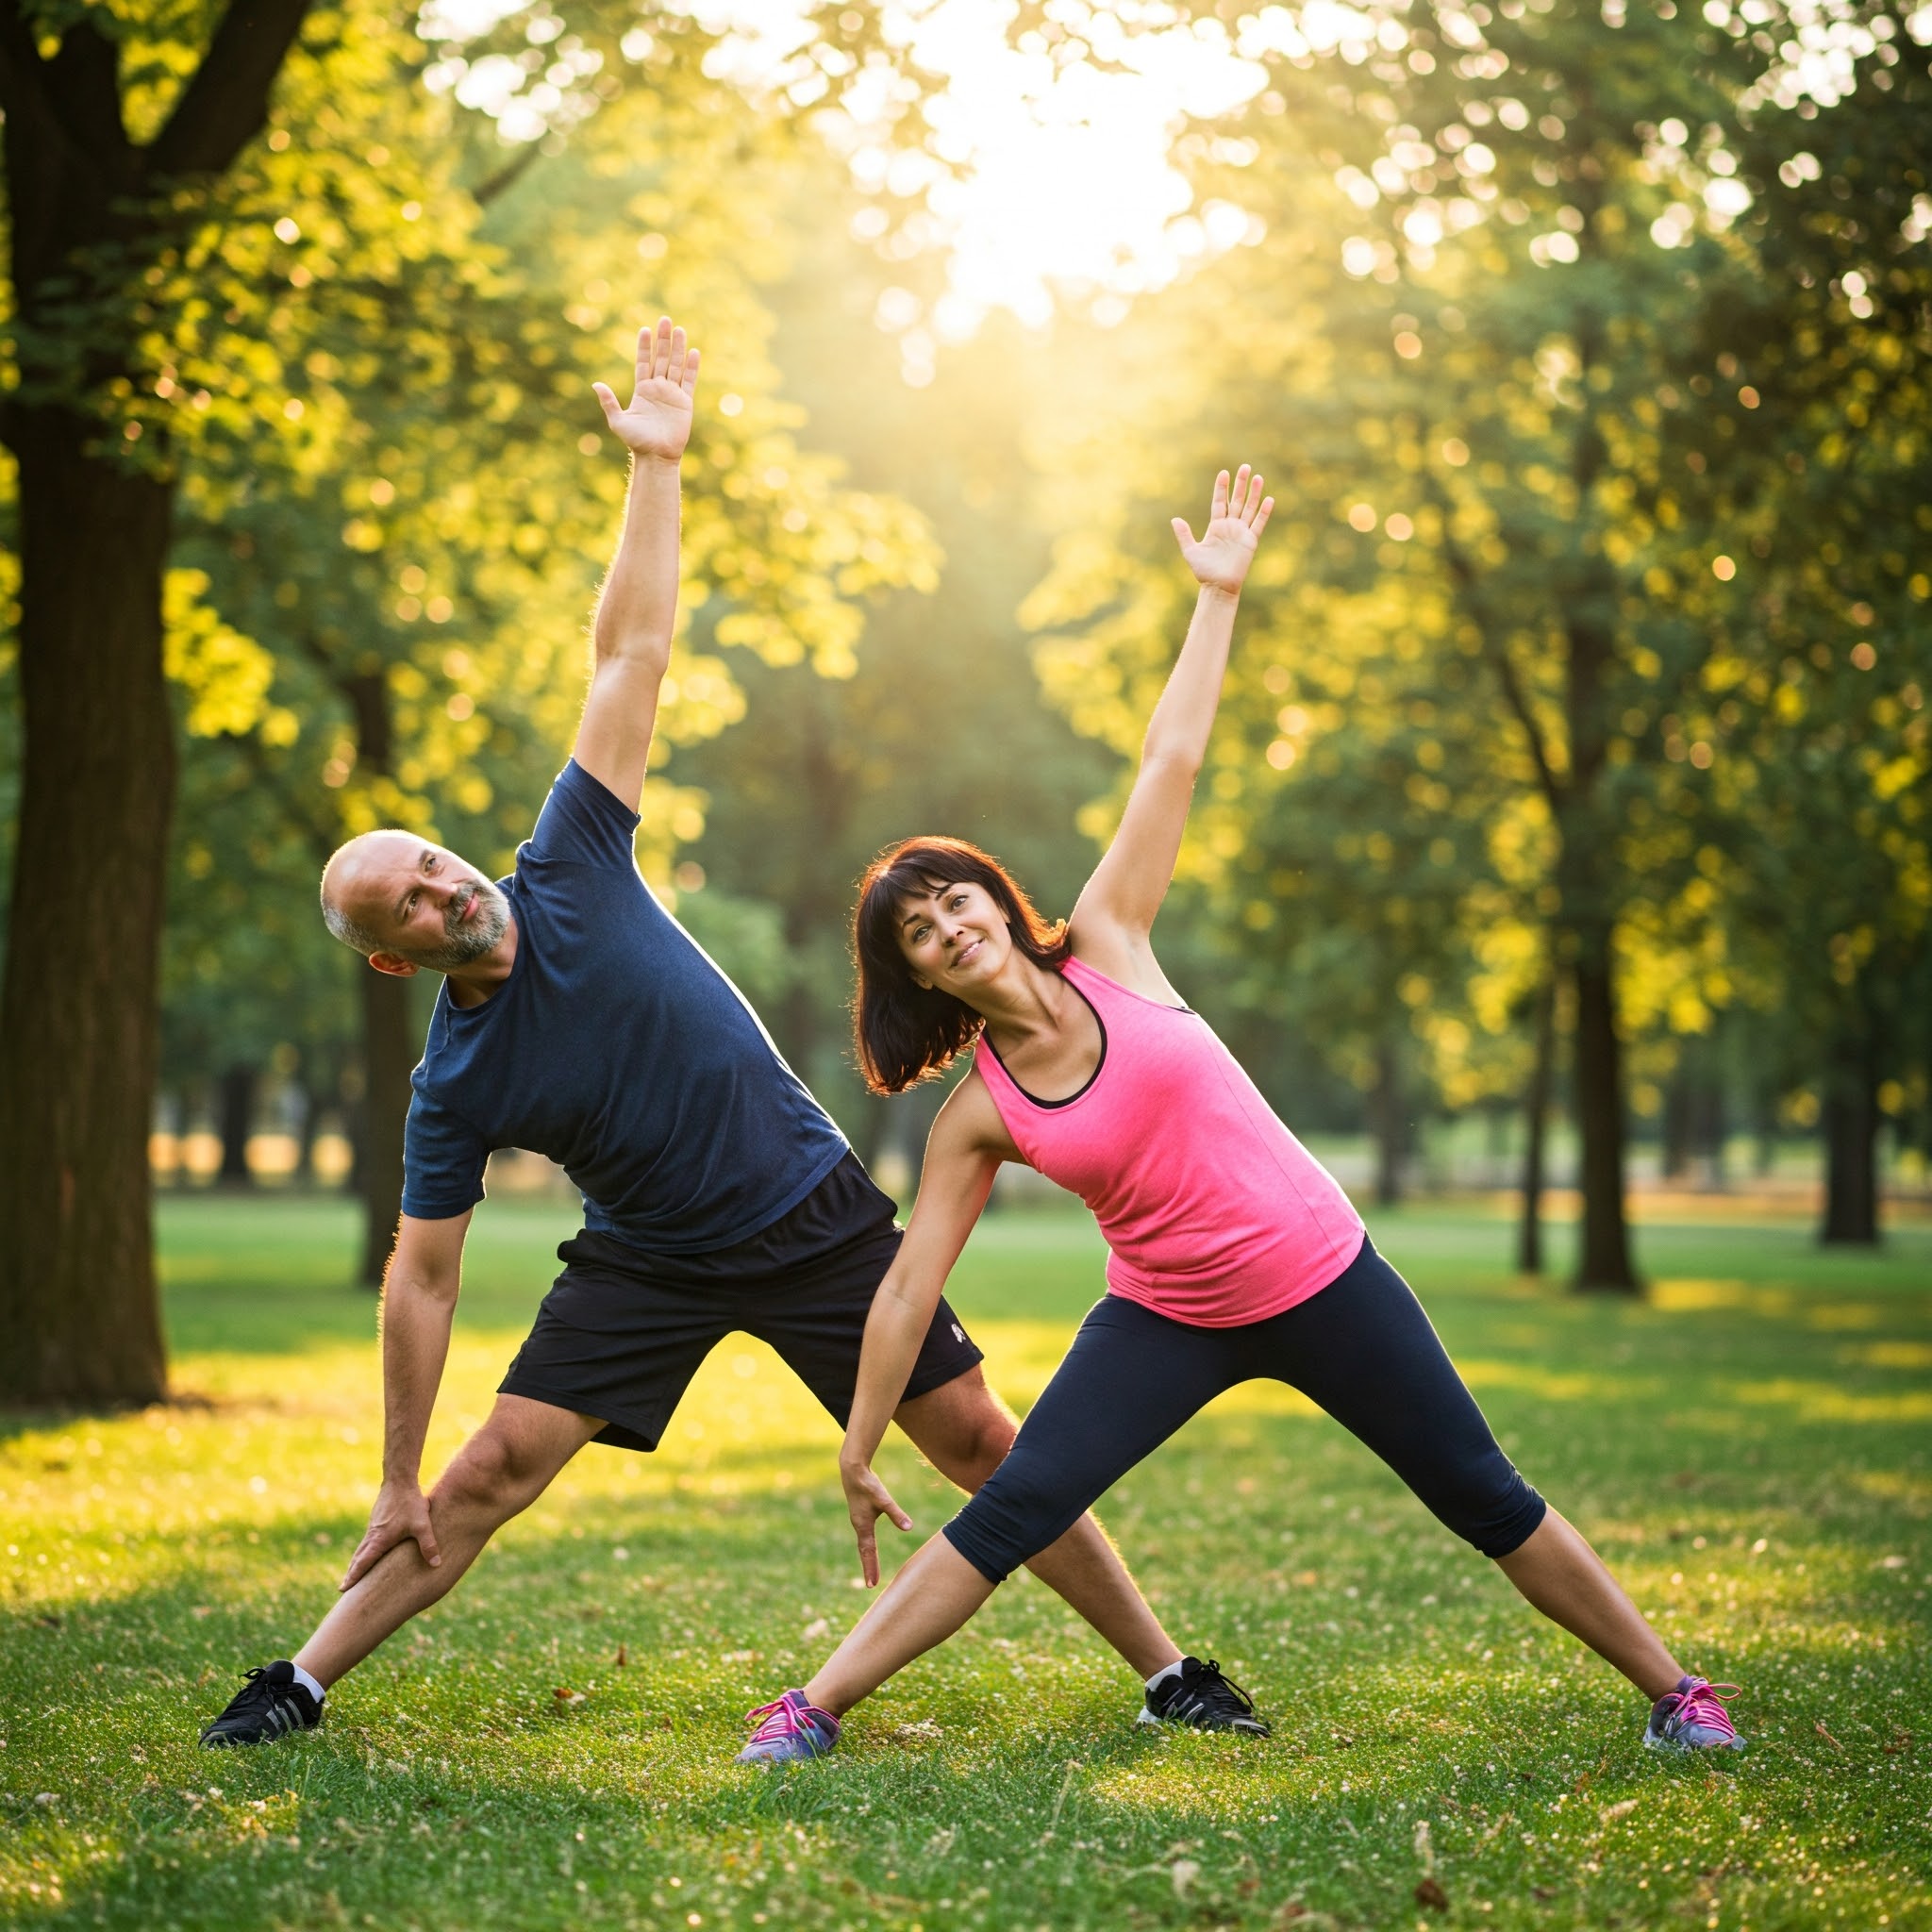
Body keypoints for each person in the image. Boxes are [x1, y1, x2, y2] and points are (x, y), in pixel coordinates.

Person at [198, 315, 1239, 1752]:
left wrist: (659, 466)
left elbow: (633, 650)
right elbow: (422, 1279)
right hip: (650, 1259)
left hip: (810, 1214)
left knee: (984, 1446)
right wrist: (393, 1474)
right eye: (415, 907)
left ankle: (1169, 1671)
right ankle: (299, 1682)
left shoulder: (568, 856)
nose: (449, 890)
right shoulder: (454, 1077)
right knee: (495, 1466)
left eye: (436, 861)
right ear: (396, 961)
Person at [735, 465, 1745, 1764]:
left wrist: (1216, 597)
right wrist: (863, 1443)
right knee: (1016, 1508)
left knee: (1482, 1496)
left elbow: (1175, 756)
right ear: (919, 977)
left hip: (1325, 1276)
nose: (948, 930)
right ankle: (810, 1709)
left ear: (994, 898)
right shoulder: (977, 1116)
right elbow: (906, 1288)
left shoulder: (1112, 939)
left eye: (955, 903)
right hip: (1166, 1316)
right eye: (920, 934)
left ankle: (1678, 1692)